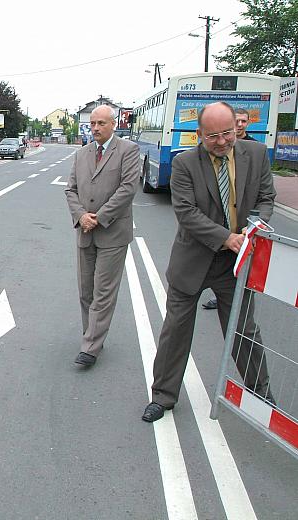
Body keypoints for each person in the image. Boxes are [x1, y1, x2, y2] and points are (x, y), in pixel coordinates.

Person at [142, 102, 276, 422]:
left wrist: (254, 226)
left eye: (227, 133)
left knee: (244, 331)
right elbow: (187, 213)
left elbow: (266, 199)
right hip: (193, 260)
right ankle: (163, 396)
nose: (221, 141)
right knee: (175, 330)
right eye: (212, 135)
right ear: (199, 134)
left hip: (236, 263)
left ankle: (261, 395)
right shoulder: (185, 163)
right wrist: (226, 237)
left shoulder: (255, 156)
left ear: (237, 128)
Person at [65, 105, 140, 367]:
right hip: (85, 231)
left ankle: (91, 346)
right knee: (86, 291)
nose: (95, 128)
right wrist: (81, 216)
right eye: (92, 123)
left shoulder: (128, 151)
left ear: (113, 124)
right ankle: (93, 335)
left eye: (101, 123)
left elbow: (128, 188)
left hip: (112, 232)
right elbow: (71, 190)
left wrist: (99, 217)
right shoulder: (81, 154)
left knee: (103, 292)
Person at [203, 108, 257, 311]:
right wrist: (225, 236)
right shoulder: (197, 159)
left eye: (244, 121)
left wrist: (252, 226)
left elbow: (264, 195)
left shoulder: (255, 150)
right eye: (237, 121)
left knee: (243, 323)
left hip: (241, 242)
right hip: (213, 242)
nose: (240, 125)